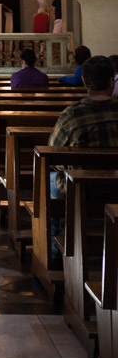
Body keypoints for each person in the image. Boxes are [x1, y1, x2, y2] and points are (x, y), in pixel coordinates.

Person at [48, 55, 118, 258]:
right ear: (111, 81)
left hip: (84, 189)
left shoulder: (73, 115)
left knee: (49, 181)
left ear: (85, 81)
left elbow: (53, 153)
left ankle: (56, 246)